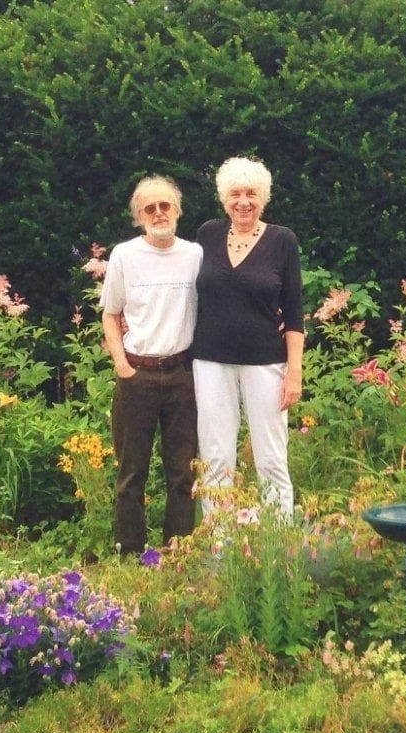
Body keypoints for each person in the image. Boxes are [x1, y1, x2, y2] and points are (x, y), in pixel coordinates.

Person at [191, 156, 304, 520]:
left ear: (264, 198)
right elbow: (188, 291)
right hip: (210, 361)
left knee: (271, 456)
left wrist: (294, 374)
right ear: (225, 199)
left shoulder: (282, 240)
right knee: (215, 455)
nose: (243, 202)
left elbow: (295, 312)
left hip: (266, 363)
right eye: (236, 194)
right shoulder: (207, 233)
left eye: (251, 194)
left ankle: (279, 543)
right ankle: (219, 545)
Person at [101, 175, 202, 554]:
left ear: (177, 210)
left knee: (182, 471)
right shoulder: (125, 256)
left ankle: (178, 551)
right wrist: (122, 365)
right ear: (139, 216)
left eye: (166, 205)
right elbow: (110, 314)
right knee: (131, 473)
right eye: (150, 208)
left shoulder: (195, 254)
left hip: (182, 375)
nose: (159, 213)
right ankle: (130, 552)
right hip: (137, 375)